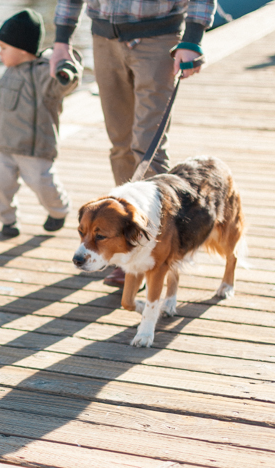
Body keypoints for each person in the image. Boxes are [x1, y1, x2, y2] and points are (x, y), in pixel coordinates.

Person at [50, 0, 215, 285]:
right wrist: (61, 41)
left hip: (158, 39)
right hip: (104, 39)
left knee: (147, 148)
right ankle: (126, 242)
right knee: (120, 145)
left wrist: (193, 38)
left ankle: (151, 250)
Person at [0, 9, 82, 238]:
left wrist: (67, 74)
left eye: (4, 48)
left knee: (43, 185)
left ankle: (58, 210)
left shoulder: (44, 73)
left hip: (34, 148)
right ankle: (8, 220)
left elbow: (62, 85)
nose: (0, 53)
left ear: (23, 49)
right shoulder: (8, 73)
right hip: (5, 147)